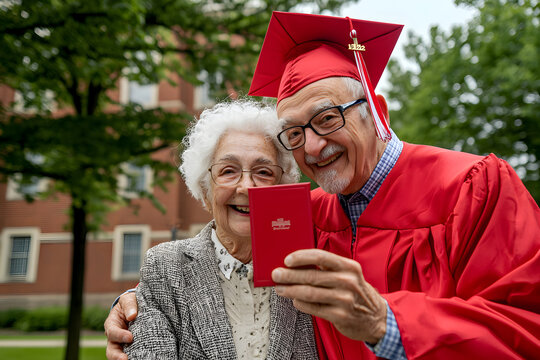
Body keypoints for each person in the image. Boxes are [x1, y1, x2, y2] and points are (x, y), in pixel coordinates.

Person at [106, 12, 540, 360]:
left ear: (376, 111)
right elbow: (219, 264)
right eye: (293, 133)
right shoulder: (303, 215)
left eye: (328, 118)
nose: (312, 145)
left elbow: (527, 327)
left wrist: (386, 323)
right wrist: (132, 304)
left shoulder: (473, 187)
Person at [119, 99, 319, 359]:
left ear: (282, 186)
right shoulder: (165, 268)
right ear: (205, 189)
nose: (246, 187)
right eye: (228, 171)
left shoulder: (309, 264)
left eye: (263, 172)